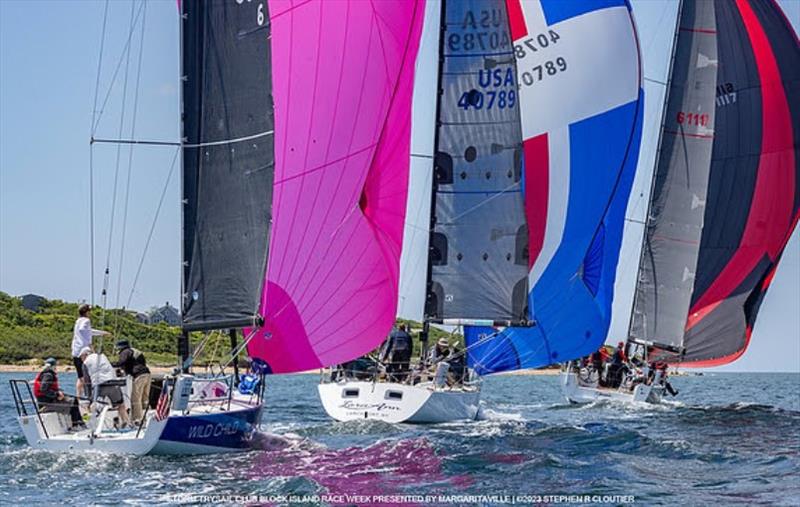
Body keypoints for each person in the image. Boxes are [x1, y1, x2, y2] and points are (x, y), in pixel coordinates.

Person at [81, 347, 131, 428]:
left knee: (89, 406)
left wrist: (88, 397)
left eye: (81, 357)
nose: (81, 359)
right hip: (114, 384)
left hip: (99, 386)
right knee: (121, 405)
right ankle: (126, 422)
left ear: (85, 355)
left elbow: (87, 382)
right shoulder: (103, 356)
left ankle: (86, 423)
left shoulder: (85, 363)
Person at [33, 358, 85, 430]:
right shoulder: (48, 375)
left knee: (72, 399)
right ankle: (77, 424)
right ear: (53, 366)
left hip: (47, 401)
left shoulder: (45, 373)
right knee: (73, 402)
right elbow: (43, 389)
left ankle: (78, 423)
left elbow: (47, 389)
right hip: (46, 405)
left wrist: (59, 392)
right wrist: (57, 394)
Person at [71, 304, 110, 397]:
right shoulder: (86, 320)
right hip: (84, 351)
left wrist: (102, 333)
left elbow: (88, 331)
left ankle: (79, 397)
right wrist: (89, 344)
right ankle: (90, 396)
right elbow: (83, 330)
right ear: (87, 312)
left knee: (81, 377)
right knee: (90, 374)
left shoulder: (78, 321)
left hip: (75, 351)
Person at [112, 339, 151, 424]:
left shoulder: (125, 351)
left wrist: (111, 364)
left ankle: (137, 420)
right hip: (147, 375)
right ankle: (148, 418)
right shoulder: (135, 351)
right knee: (145, 399)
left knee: (135, 399)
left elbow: (121, 362)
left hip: (138, 376)